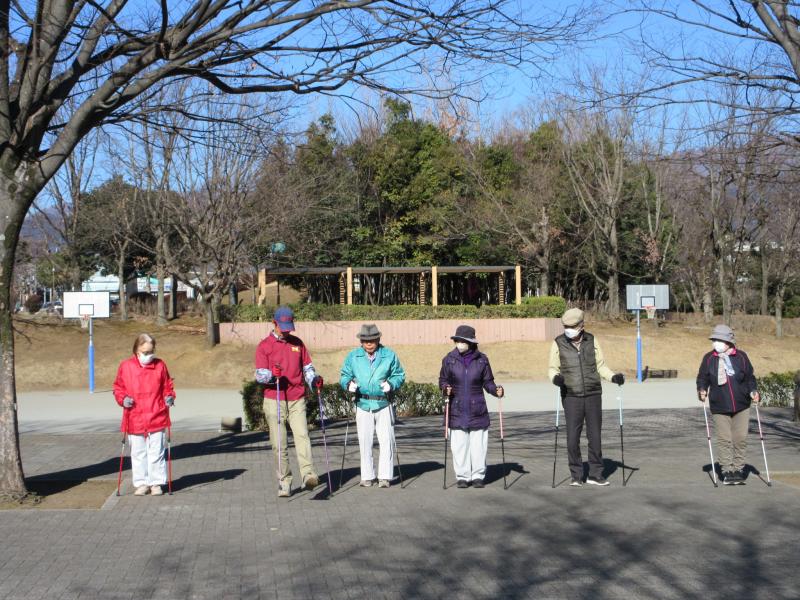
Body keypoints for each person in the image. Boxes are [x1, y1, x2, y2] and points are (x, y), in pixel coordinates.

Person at [548, 308, 624, 487]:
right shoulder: (558, 343)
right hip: (571, 395)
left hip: (593, 394)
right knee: (572, 437)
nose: (568, 329)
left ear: (581, 325)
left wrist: (613, 377)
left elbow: (601, 366)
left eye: (572, 326)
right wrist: (556, 378)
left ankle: (596, 474)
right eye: (566, 326)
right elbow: (552, 368)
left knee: (595, 436)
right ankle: (576, 474)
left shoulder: (592, 340)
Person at [255, 306, 323, 497]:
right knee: (279, 443)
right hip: (274, 399)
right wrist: (271, 375)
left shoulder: (298, 344)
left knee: (302, 436)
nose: (286, 331)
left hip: (296, 398)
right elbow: (259, 374)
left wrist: (313, 380)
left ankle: (308, 475)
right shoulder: (264, 346)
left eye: (288, 326)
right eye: (282, 326)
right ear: (274, 323)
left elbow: (308, 368)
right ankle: (284, 481)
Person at [339, 324, 406, 488]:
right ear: (361, 341)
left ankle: (385, 476)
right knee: (364, 441)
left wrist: (391, 384)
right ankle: (367, 476)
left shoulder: (389, 355)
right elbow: (344, 375)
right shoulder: (353, 357)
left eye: (372, 340)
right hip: (362, 403)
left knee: (386, 441)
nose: (369, 344)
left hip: (383, 403)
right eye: (365, 340)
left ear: (378, 340)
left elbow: (399, 375)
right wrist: (348, 384)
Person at [439, 325, 504, 488]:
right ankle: (462, 476)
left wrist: (496, 390)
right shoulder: (449, 359)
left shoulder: (482, 359)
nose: (459, 343)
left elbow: (488, 382)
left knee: (478, 446)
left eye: (462, 341)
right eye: (457, 340)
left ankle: (478, 476)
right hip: (456, 406)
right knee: (459, 446)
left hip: (477, 408)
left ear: (470, 342)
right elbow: (442, 380)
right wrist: (445, 388)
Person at [696, 324, 759, 485]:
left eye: (718, 340)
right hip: (719, 406)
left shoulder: (741, 357)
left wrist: (753, 391)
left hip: (742, 404)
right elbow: (702, 377)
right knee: (724, 439)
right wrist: (702, 389)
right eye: (714, 340)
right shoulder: (709, 358)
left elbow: (750, 377)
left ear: (728, 342)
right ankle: (726, 470)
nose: (714, 343)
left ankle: (738, 468)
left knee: (740, 438)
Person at [113, 333, 175, 496]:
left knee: (157, 452)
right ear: (137, 350)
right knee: (138, 453)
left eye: (151, 351)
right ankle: (141, 483)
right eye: (146, 352)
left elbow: (167, 386)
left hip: (157, 414)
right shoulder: (126, 366)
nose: (149, 355)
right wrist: (123, 398)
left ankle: (156, 483)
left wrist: (169, 396)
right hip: (135, 416)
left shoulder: (160, 365)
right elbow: (118, 387)